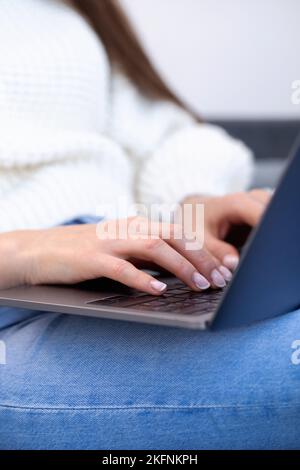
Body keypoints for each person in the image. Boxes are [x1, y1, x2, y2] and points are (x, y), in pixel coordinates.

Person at [0, 0, 298, 450]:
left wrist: (192, 211)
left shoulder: (64, 10)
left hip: (120, 273)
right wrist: (22, 253)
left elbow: (167, 134)